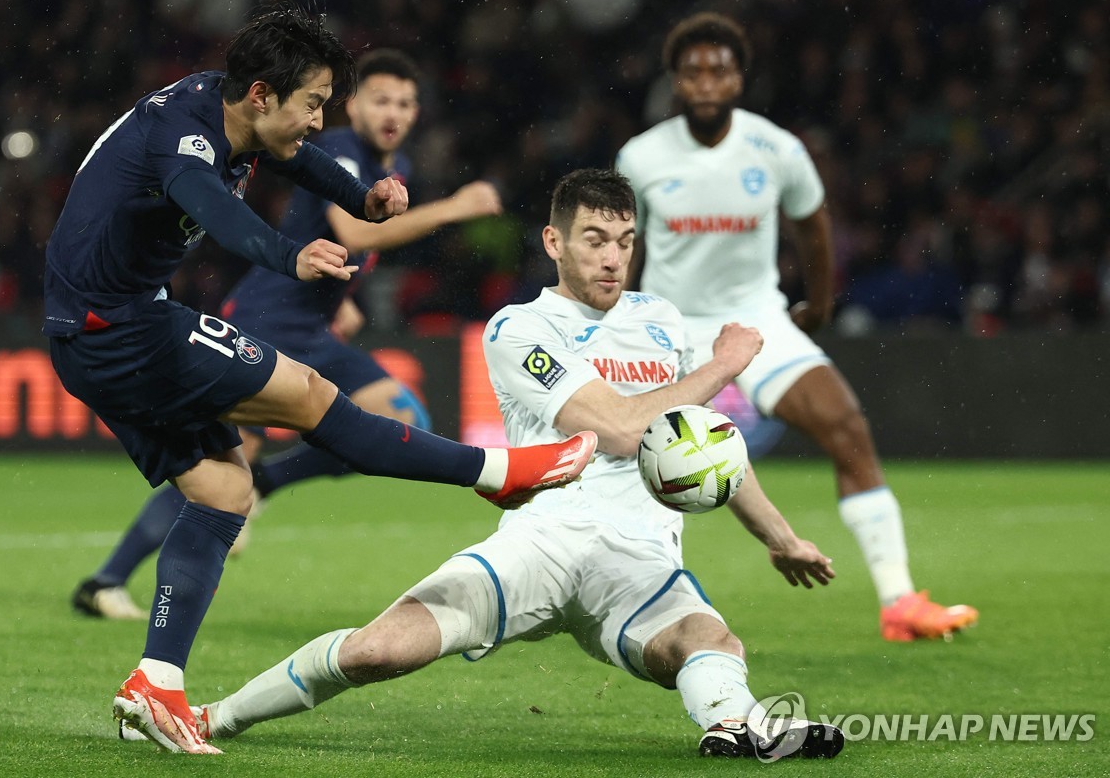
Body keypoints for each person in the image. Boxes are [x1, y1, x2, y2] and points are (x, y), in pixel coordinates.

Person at [44, 0, 596, 755]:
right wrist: (287, 254)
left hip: (92, 330)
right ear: (264, 95)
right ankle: (495, 471)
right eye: (313, 103)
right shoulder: (184, 139)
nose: (319, 120)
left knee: (224, 490)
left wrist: (357, 194)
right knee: (309, 397)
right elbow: (215, 208)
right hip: (123, 326)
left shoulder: (227, 101)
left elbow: (294, 157)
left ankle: (156, 684)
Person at [162, 169, 844, 760]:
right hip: (539, 546)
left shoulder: (661, 320)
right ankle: (213, 716)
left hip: (639, 561)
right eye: (595, 240)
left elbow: (705, 439)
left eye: (626, 242)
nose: (613, 259)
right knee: (377, 652)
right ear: (554, 242)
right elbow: (613, 429)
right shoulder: (519, 328)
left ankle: (739, 725)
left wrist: (781, 539)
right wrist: (724, 365)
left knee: (708, 640)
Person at [71, 48, 504, 621]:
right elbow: (356, 231)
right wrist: (454, 208)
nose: (392, 112)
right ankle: (106, 579)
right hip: (267, 316)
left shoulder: (387, 166)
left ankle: (265, 486)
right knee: (222, 463)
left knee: (402, 417)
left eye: (404, 101)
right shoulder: (344, 152)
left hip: (313, 325)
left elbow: (346, 248)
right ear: (353, 107)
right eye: (379, 100)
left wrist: (342, 302)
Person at [615, 12, 977, 641]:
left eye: (719, 69)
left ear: (739, 78)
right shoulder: (641, 156)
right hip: (668, 326)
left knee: (845, 424)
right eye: (693, 70)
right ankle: (620, 594)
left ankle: (900, 602)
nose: (706, 81)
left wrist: (819, 302)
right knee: (625, 463)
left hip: (755, 319)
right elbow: (624, 244)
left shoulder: (776, 148)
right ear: (675, 80)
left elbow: (812, 223)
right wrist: (619, 320)